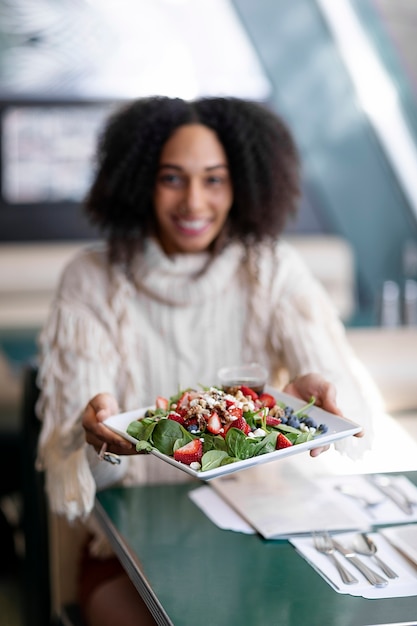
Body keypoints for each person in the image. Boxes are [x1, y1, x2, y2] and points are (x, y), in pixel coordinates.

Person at [35, 95, 381, 626]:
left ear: (243, 182)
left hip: (264, 537)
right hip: (131, 553)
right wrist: (93, 432)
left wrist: (316, 390)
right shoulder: (91, 280)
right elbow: (73, 474)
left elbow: (351, 414)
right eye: (172, 178)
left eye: (214, 179)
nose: (194, 202)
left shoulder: (273, 268)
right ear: (139, 181)